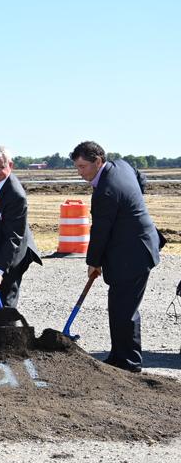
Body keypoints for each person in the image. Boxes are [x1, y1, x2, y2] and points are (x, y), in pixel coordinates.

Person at [73, 141, 162, 373]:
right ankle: (118, 354)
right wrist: (132, 208)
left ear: (98, 161)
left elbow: (100, 231)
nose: (79, 172)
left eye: (83, 167)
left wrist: (93, 262)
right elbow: (140, 179)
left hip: (133, 254)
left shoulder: (106, 191)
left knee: (124, 308)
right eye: (77, 167)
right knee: (119, 306)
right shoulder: (121, 166)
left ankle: (129, 362)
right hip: (135, 246)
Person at [0, 146, 41, 317]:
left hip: (10, 252)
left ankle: (8, 338)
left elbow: (13, 237)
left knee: (4, 302)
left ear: (10, 165)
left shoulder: (15, 195)